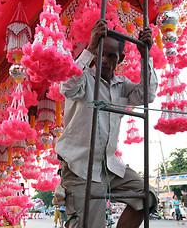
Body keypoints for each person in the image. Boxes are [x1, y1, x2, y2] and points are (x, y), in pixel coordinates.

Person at [55, 18, 158, 228]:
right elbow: (67, 87)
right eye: (100, 53)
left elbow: (148, 94)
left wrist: (146, 55)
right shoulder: (84, 77)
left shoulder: (122, 85)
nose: (104, 60)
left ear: (120, 59)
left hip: (109, 166)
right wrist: (90, 47)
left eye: (111, 55)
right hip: (79, 167)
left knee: (147, 197)